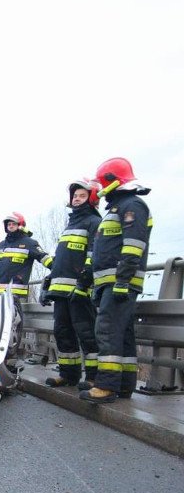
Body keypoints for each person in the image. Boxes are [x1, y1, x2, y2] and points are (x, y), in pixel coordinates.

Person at [80, 158, 152, 404]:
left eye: (102, 183)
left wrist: (122, 281)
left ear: (112, 181)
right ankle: (123, 385)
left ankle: (106, 386)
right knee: (123, 334)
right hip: (110, 283)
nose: (100, 188)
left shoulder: (132, 206)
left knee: (107, 331)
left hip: (119, 283)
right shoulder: (118, 208)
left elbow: (133, 247)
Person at [42, 179, 102, 388]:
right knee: (63, 333)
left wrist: (84, 284)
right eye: (75, 196)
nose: (76, 199)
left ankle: (94, 377)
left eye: (82, 196)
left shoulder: (94, 222)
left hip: (80, 290)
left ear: (91, 198)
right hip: (61, 292)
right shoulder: (71, 225)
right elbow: (62, 260)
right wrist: (48, 284)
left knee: (87, 334)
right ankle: (68, 375)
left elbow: (94, 255)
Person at [0, 212, 53, 364]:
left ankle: (10, 360)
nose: (10, 226)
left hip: (15, 295)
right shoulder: (2, 244)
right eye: (8, 224)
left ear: (20, 225)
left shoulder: (29, 243)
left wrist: (58, 269)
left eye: (13, 224)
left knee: (12, 328)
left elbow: (44, 258)